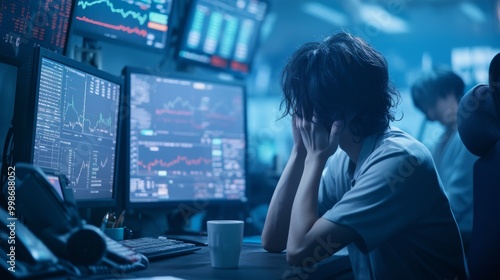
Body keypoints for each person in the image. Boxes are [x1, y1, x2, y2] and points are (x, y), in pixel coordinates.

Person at [260, 32, 468, 279]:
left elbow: (300, 251)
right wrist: (299, 153)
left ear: (344, 109)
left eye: (307, 105)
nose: (301, 118)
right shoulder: (344, 160)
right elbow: (274, 239)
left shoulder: (399, 161)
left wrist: (315, 159)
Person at [411, 68, 476, 250]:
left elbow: (457, 202)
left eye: (432, 105)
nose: (430, 116)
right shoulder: (440, 139)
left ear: (449, 93)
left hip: (466, 240)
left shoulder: (470, 136)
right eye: (425, 110)